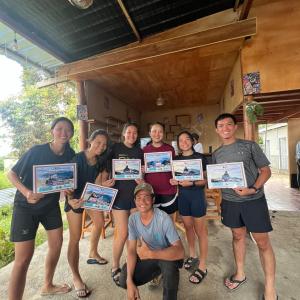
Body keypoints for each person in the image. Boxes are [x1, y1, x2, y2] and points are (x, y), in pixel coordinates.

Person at [7, 117, 75, 300]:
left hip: (50, 206)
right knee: (22, 260)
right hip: (25, 206)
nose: (63, 133)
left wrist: (67, 187)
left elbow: (66, 180)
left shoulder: (70, 154)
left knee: (57, 244)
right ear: (52, 131)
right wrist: (27, 192)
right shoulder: (36, 151)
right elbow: (11, 173)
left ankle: (48, 285)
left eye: (68, 129)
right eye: (59, 128)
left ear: (72, 134)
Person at [212, 113, 277, 300]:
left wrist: (253, 188)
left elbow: (266, 171)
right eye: (221, 125)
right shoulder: (216, 154)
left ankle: (270, 288)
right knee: (237, 235)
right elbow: (217, 179)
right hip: (230, 202)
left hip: (253, 200)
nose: (225, 128)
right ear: (217, 130)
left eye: (228, 125)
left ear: (235, 127)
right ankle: (240, 273)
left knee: (262, 242)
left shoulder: (249, 146)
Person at [119, 182, 185, 300]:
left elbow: (180, 252)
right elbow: (131, 250)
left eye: (146, 197)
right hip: (149, 256)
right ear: (134, 201)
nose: (142, 202)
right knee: (123, 279)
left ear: (153, 199)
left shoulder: (163, 218)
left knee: (169, 268)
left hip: (166, 254)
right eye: (138, 198)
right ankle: (157, 273)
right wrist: (129, 281)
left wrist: (150, 254)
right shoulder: (133, 219)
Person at [65, 129, 110, 298]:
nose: (101, 146)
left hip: (90, 196)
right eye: (98, 142)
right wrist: (69, 199)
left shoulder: (99, 161)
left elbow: (97, 183)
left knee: (99, 223)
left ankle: (92, 252)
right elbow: (67, 182)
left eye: (104, 144)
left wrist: (105, 185)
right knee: (75, 239)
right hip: (75, 199)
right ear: (90, 141)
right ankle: (76, 277)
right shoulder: (77, 159)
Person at [101, 122, 144, 286]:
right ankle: (115, 265)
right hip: (118, 196)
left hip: (135, 195)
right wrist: (103, 183)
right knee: (122, 232)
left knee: (133, 233)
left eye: (135, 132)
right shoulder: (115, 148)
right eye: (129, 132)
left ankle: (131, 262)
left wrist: (142, 179)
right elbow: (104, 168)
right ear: (124, 134)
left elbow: (142, 171)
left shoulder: (139, 151)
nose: (132, 135)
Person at [170, 131, 208, 284]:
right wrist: (175, 181)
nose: (184, 142)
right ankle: (192, 255)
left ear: (192, 141)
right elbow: (176, 178)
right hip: (183, 197)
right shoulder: (176, 159)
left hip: (197, 197)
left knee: (201, 231)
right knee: (188, 227)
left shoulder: (200, 157)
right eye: (180, 140)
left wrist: (191, 183)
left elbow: (205, 179)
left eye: (187, 139)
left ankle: (203, 266)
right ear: (178, 144)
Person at [143, 122, 177, 218]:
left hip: (169, 190)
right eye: (154, 131)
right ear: (150, 133)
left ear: (163, 133)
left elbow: (175, 168)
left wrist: (176, 179)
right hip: (151, 191)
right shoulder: (145, 150)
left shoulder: (170, 149)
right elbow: (141, 170)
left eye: (160, 131)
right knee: (153, 221)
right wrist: (142, 170)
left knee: (168, 221)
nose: (157, 134)